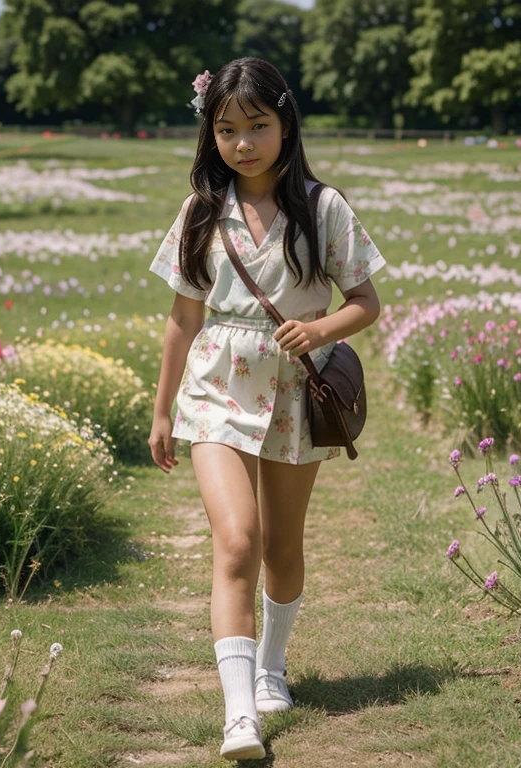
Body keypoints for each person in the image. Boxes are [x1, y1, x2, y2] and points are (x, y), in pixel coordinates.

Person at [148, 57, 386, 761]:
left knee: (282, 544)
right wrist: (163, 412)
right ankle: (239, 714)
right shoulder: (198, 213)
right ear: (210, 134)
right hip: (215, 390)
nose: (243, 142)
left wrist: (319, 329)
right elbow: (182, 320)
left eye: (257, 125)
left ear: (285, 123)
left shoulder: (324, 207)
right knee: (237, 541)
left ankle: (273, 668)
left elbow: (367, 303)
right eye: (227, 129)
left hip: (293, 391)